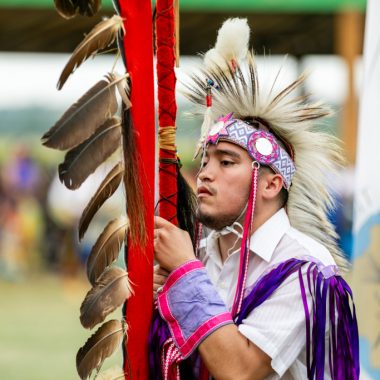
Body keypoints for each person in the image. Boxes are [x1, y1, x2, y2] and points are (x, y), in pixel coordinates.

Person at [150, 18, 359, 380]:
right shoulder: (202, 252)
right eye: (205, 161)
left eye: (226, 162)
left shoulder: (305, 267)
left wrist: (184, 275)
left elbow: (240, 369)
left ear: (271, 184)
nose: (205, 173)